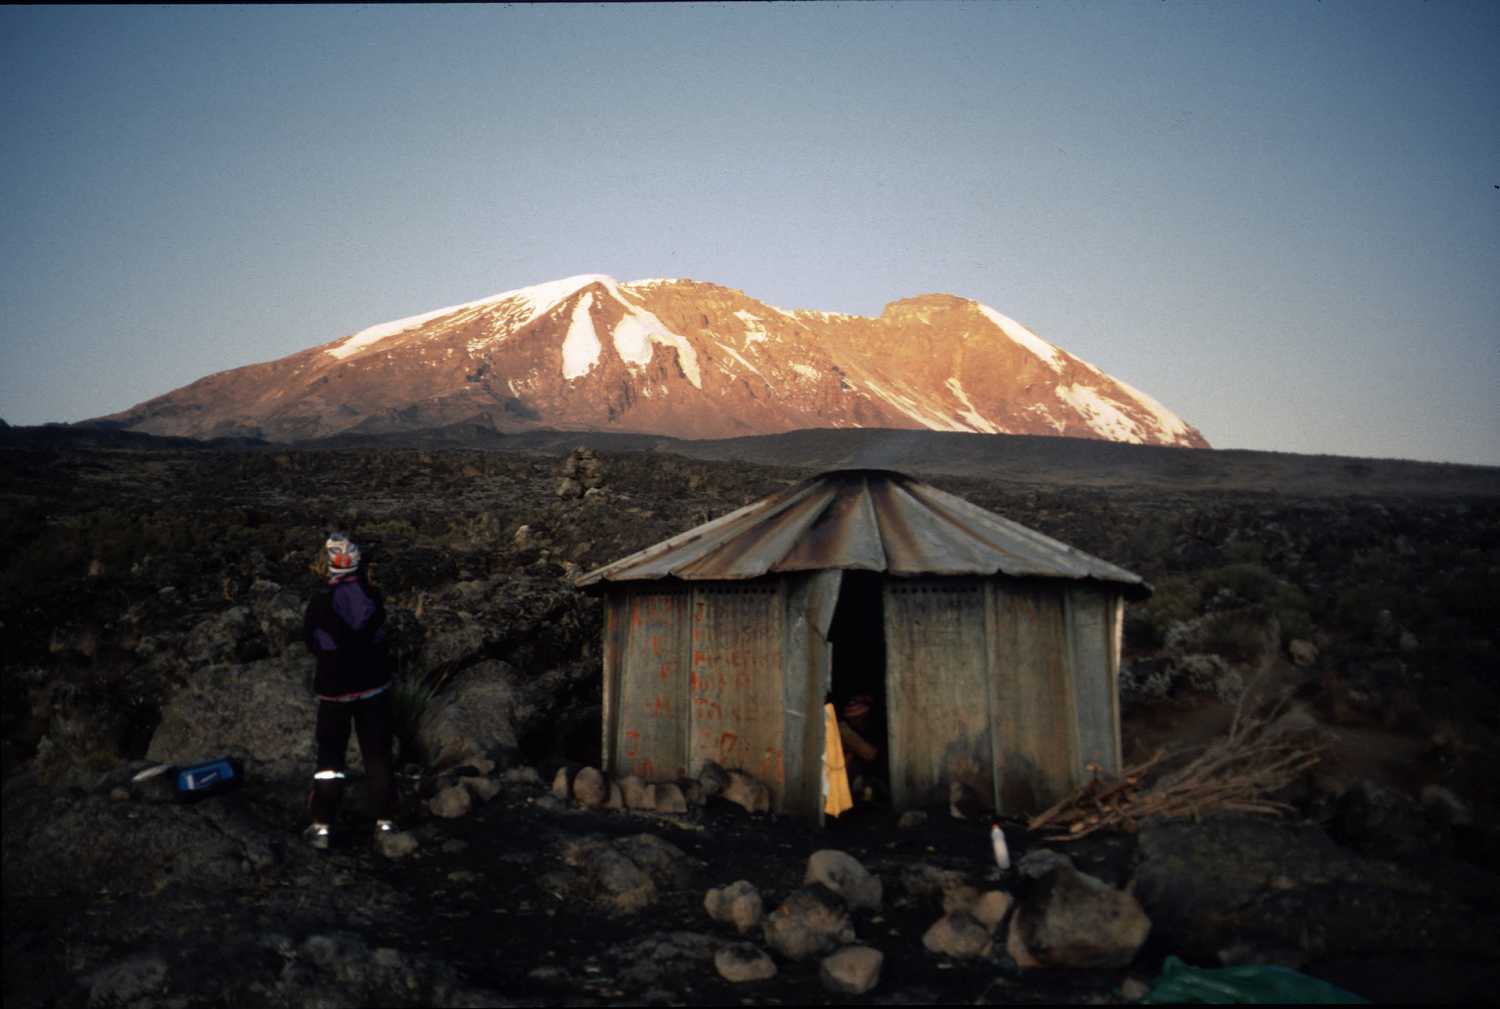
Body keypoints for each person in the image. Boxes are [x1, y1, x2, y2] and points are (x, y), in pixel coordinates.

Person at [302, 532, 397, 849]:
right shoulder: (373, 596)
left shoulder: (320, 603)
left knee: (330, 761)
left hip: (335, 694)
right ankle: (386, 824)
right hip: (374, 689)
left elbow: (311, 642)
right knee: (377, 756)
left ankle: (322, 827)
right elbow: (381, 635)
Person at [837, 693, 886, 803]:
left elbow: (871, 755)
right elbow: (869, 755)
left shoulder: (873, 732)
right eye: (855, 719)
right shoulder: (845, 731)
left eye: (860, 718)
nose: (858, 722)